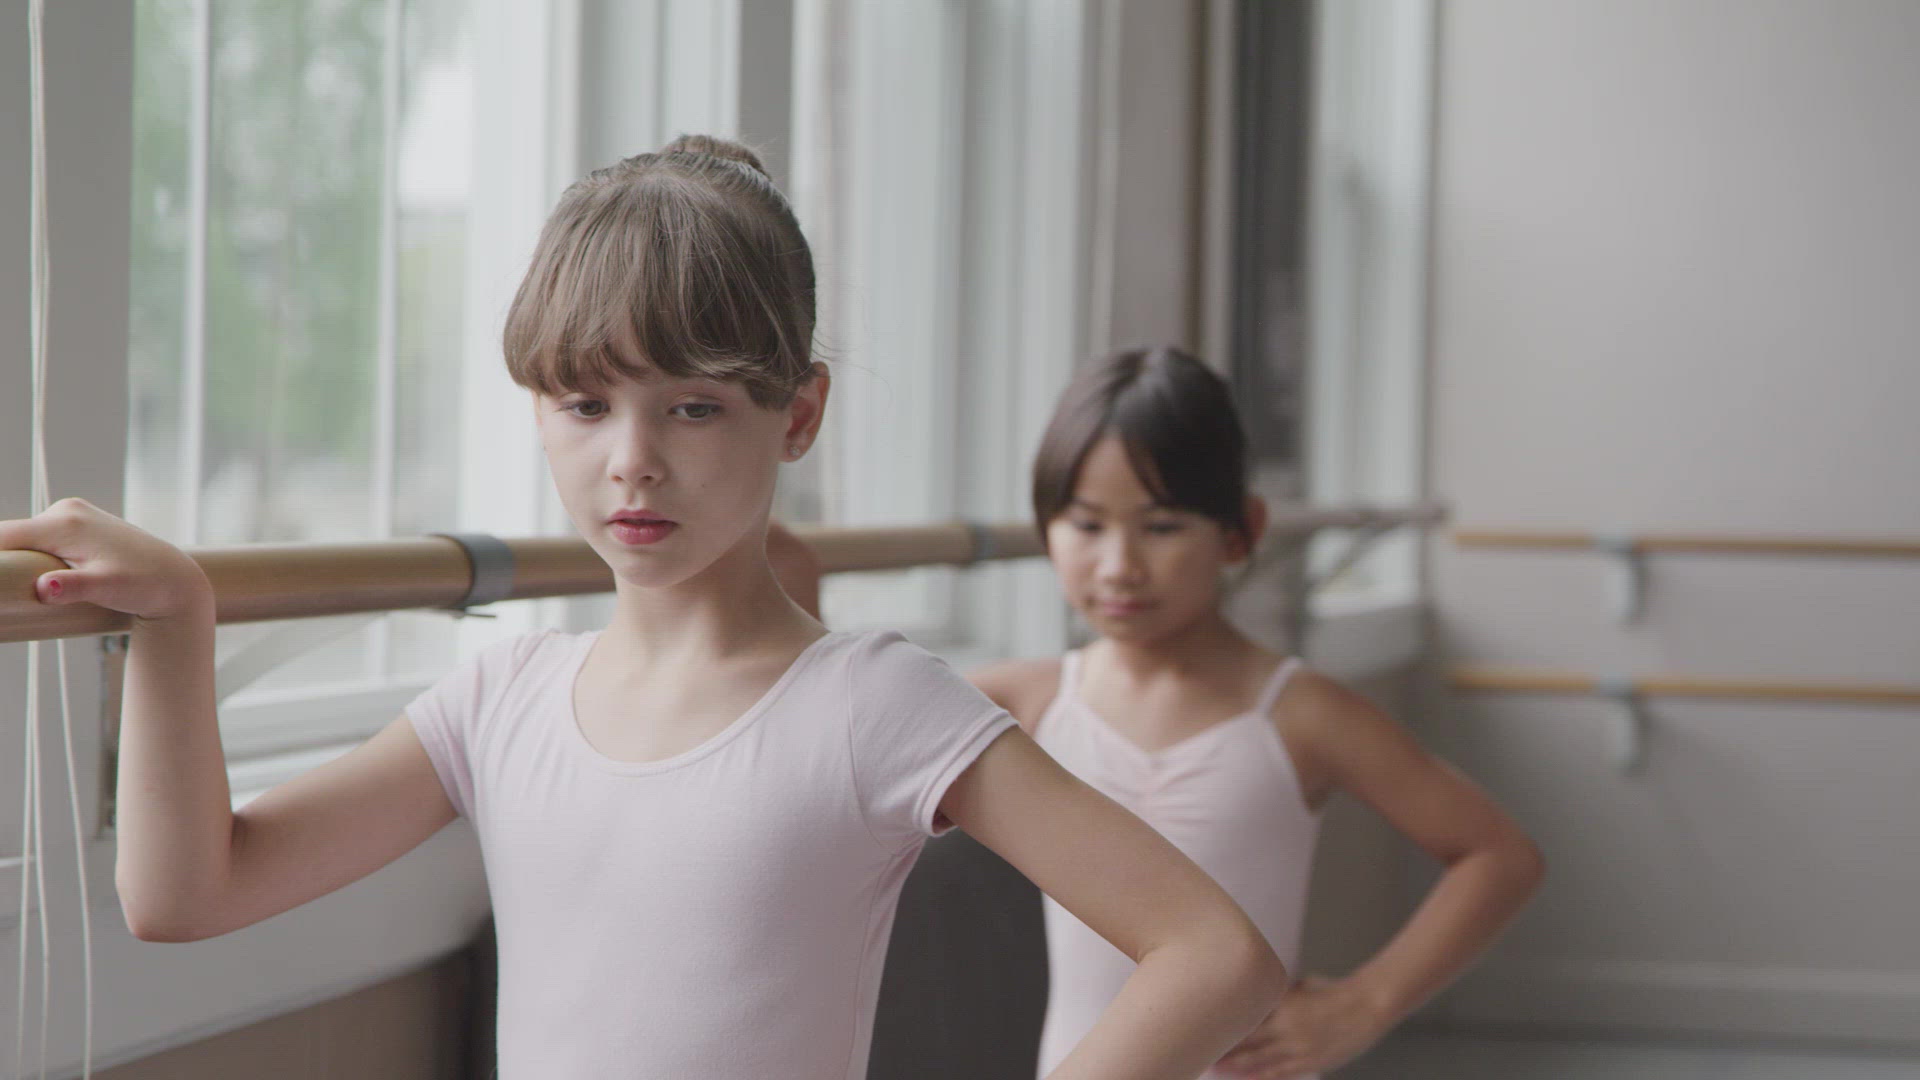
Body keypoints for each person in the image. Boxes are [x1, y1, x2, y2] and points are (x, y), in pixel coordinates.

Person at [0, 141, 1287, 1079]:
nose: (633, 460)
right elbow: (184, 894)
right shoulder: (499, 700)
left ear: (797, 415)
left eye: (693, 406)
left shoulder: (871, 705)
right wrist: (178, 621)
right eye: (585, 405)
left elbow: (1214, 950)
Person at [775, 345, 1545, 1080]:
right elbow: (842, 730)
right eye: (1086, 524)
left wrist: (1365, 1005)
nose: (1120, 565)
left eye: (1163, 526)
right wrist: (788, 587)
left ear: (1241, 531)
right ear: (1047, 529)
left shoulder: (1301, 714)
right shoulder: (1024, 699)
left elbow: (1498, 855)